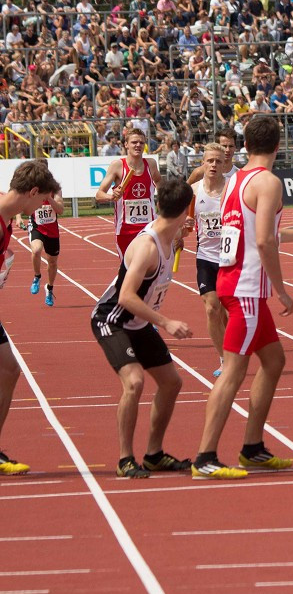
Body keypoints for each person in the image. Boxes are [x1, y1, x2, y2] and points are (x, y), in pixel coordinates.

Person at [192, 115, 293, 480]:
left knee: (275, 360)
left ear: (245, 145)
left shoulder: (235, 181)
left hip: (234, 282)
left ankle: (252, 447)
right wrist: (281, 288)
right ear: (279, 146)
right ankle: (204, 456)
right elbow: (264, 240)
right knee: (233, 372)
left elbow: (256, 234)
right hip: (247, 289)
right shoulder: (268, 182)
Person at [91, 179, 195, 478]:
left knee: (171, 382)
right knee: (134, 382)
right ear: (182, 210)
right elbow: (125, 296)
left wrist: (180, 229)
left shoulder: (169, 231)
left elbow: (174, 227)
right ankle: (125, 459)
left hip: (138, 322)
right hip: (112, 319)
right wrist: (166, 322)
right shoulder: (146, 246)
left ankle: (154, 454)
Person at [0, 161, 62, 474]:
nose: (42, 207)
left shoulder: (7, 213)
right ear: (33, 192)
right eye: (41, 201)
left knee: (9, 370)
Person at [188, 143, 230, 378]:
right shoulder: (194, 191)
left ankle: (234, 351)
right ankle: (224, 359)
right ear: (202, 163)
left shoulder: (232, 189)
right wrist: (182, 231)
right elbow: (184, 224)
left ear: (224, 164)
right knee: (212, 309)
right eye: (209, 161)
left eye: (218, 161)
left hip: (231, 257)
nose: (213, 165)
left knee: (228, 312)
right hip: (206, 257)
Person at [95, 129, 162, 258]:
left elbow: (159, 181)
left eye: (141, 143)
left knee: (148, 267)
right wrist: (112, 197)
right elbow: (99, 194)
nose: (138, 145)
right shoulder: (118, 166)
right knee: (128, 270)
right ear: (126, 145)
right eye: (134, 142)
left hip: (148, 228)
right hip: (125, 229)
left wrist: (162, 199)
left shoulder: (151, 164)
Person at [19, 185, 63, 307]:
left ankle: (49, 288)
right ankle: (37, 277)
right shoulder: (31, 188)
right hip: (36, 226)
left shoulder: (55, 189)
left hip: (52, 230)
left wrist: (50, 199)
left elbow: (60, 210)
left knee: (52, 262)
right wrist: (18, 217)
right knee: (36, 250)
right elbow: (19, 202)